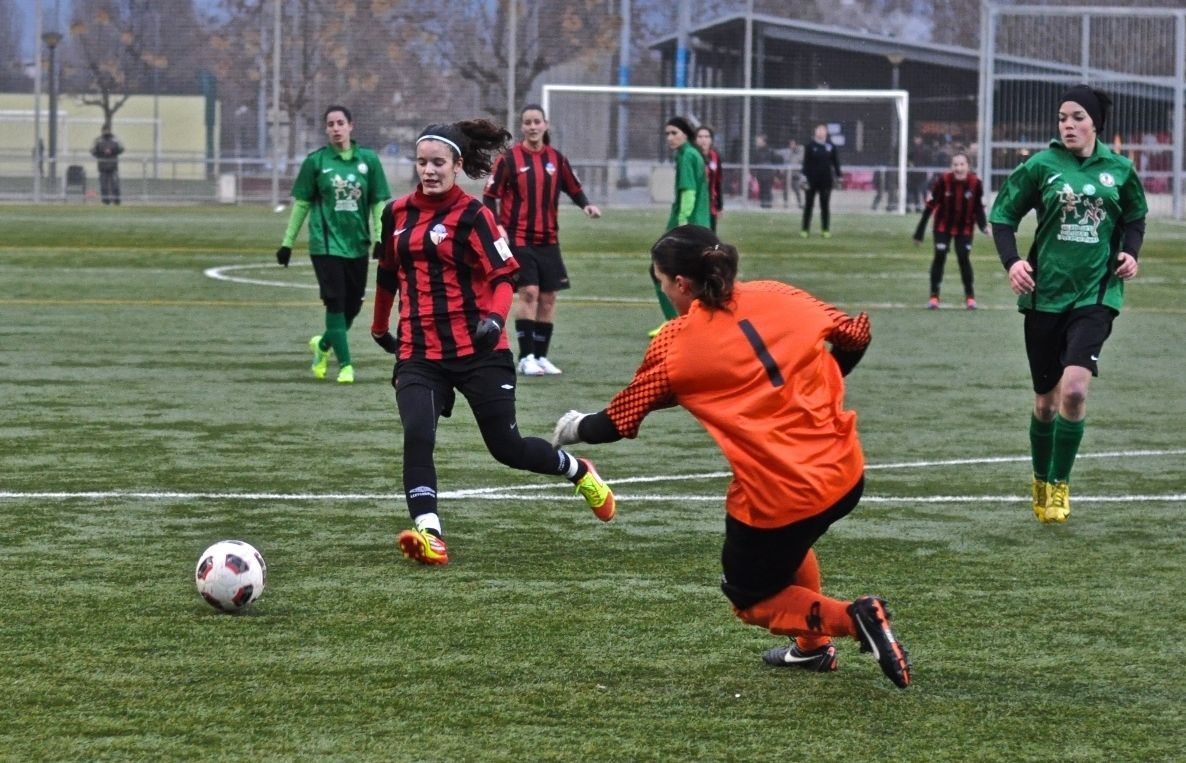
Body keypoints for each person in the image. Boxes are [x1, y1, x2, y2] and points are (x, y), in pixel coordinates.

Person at [550, 225, 911, 689]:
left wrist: (575, 427)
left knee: (750, 597)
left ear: (681, 283)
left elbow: (619, 421)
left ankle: (856, 618)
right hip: (844, 471)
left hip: (779, 495)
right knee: (790, 546)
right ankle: (812, 649)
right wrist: (816, 384)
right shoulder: (780, 293)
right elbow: (855, 332)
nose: (665, 292)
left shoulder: (675, 343)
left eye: (662, 283)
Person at [370, 119, 616, 566]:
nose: (429, 170)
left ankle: (578, 471)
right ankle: (430, 534)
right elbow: (387, 272)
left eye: (438, 163)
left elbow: (506, 277)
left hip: (479, 351)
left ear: (458, 166)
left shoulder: (474, 215)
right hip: (420, 351)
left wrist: (493, 319)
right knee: (418, 434)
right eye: (422, 162)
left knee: (508, 449)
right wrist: (378, 325)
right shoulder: (396, 213)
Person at [989, 85, 1147, 524]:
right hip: (1044, 295)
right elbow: (1003, 216)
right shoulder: (1041, 166)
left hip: (1097, 294)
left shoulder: (1119, 170)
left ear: (1095, 123)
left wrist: (1130, 253)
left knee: (1074, 390)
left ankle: (1059, 484)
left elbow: (1135, 216)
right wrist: (1013, 262)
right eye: (1062, 118)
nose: (1068, 125)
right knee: (1045, 403)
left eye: (1077, 117)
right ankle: (1040, 476)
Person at [483, 104, 601, 377]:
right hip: (519, 238)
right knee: (530, 293)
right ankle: (525, 358)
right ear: (522, 127)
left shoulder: (556, 159)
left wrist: (586, 205)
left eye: (537, 121)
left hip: (549, 240)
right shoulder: (509, 159)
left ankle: (540, 356)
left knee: (548, 299)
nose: (533, 126)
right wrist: (497, 224)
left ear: (545, 125)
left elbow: (573, 187)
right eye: (528, 122)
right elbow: (489, 195)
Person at [275, 105, 390, 384]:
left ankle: (323, 345)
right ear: (326, 130)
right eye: (330, 124)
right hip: (325, 246)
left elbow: (378, 202)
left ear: (351, 126)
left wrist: (380, 237)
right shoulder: (316, 162)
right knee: (335, 304)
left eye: (340, 122)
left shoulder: (369, 161)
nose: (336, 128)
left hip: (357, 245)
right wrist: (287, 243)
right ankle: (346, 366)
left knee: (353, 308)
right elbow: (302, 203)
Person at [651, 116, 710, 335]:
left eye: (674, 133)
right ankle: (694, 321)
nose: (670, 137)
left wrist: (682, 223)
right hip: (700, 224)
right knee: (697, 275)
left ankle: (675, 322)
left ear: (686, 134)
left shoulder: (687, 155)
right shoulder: (692, 154)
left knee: (659, 270)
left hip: (688, 225)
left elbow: (689, 192)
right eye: (667, 134)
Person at [913, 151, 989, 310]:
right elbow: (930, 205)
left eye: (962, 164)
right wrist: (919, 232)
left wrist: (984, 227)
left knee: (963, 258)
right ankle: (934, 297)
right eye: (955, 164)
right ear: (951, 166)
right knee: (939, 256)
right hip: (942, 226)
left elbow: (978, 208)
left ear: (968, 166)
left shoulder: (975, 183)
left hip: (965, 228)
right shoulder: (943, 181)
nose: (958, 168)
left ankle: (970, 297)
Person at [801, 123, 841, 238]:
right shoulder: (810, 146)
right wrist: (804, 178)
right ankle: (805, 229)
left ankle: (825, 229)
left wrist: (839, 176)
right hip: (812, 180)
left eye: (823, 130)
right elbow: (806, 164)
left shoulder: (831, 146)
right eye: (819, 129)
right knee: (808, 205)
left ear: (826, 132)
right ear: (815, 131)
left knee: (825, 206)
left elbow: (835, 163)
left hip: (826, 181)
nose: (821, 132)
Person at [695, 125, 724, 231]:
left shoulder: (715, 156)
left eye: (707, 137)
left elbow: (718, 182)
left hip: (711, 203)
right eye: (700, 136)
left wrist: (720, 206)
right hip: (696, 203)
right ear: (695, 139)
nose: (704, 140)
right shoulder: (692, 156)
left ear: (711, 139)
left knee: (710, 237)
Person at [91, 129, 124, 205]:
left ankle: (112, 201)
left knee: (111, 185)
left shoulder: (111, 141)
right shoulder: (101, 142)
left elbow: (121, 149)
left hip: (108, 167)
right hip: (107, 167)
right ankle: (111, 201)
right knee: (107, 185)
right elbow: (93, 151)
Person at [751, 133, 778, 209]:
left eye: (758, 140)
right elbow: (754, 163)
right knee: (762, 192)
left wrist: (775, 174)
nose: (757, 142)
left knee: (767, 191)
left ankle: (768, 206)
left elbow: (776, 161)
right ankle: (763, 206)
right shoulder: (757, 151)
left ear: (763, 141)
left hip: (768, 175)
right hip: (760, 175)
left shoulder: (770, 151)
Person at [785, 139, 804, 210]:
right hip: (788, 175)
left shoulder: (800, 152)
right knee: (786, 190)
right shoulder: (788, 153)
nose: (791, 145)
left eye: (792, 144)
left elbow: (800, 160)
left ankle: (800, 205)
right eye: (790, 144)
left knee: (797, 190)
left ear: (796, 145)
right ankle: (786, 204)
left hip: (796, 174)